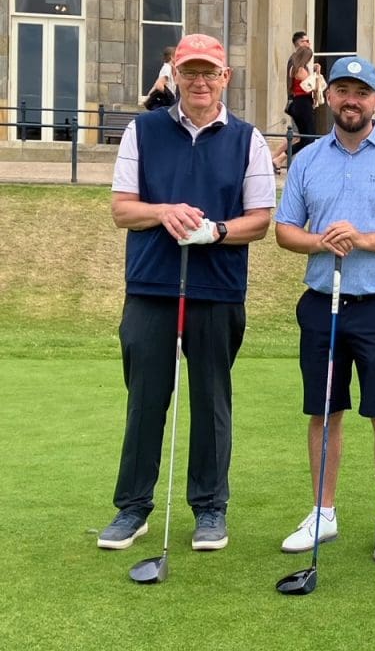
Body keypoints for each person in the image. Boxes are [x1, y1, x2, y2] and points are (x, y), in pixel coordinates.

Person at [98, 33, 276, 552]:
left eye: (210, 72)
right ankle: (132, 508)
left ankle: (210, 508)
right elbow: (121, 209)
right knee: (146, 399)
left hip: (217, 287)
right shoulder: (143, 131)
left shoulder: (248, 139)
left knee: (211, 400)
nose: (199, 81)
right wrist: (163, 212)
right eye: (189, 71)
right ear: (174, 75)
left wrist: (216, 230)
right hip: (152, 283)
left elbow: (260, 220)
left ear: (226, 78)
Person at [275, 55, 375, 563]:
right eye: (342, 90)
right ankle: (323, 512)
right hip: (322, 304)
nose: (351, 100)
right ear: (329, 97)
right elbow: (285, 231)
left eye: (361, 92)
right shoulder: (307, 160)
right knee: (325, 412)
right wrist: (322, 242)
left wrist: (363, 239)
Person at [273, 44, 323, 171]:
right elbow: (311, 86)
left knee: (305, 137)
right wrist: (318, 73)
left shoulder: (293, 68)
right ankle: (280, 159)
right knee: (309, 137)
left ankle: (280, 159)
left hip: (298, 103)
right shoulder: (300, 70)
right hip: (303, 104)